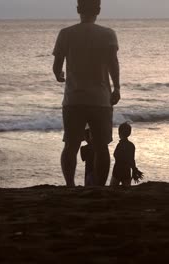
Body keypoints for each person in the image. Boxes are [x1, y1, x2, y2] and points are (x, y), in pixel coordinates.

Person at [53, 0, 121, 186]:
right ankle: (99, 187)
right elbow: (113, 64)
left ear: (78, 9)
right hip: (100, 100)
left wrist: (60, 75)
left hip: (74, 99)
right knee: (101, 147)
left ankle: (69, 185)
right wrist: (117, 88)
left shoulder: (66, 34)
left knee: (71, 146)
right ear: (98, 10)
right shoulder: (108, 34)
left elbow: (57, 67)